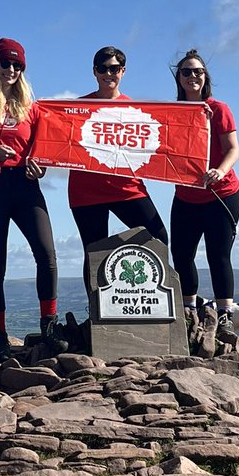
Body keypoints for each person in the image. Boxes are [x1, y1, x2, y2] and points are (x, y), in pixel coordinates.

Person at [0, 37, 66, 362]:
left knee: (47, 255)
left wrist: (40, 167)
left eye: (18, 65)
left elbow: (42, 153)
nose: (12, 70)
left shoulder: (33, 108)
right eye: (6, 63)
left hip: (25, 185)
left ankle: (49, 326)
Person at [68, 45, 168, 296]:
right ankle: (96, 309)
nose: (108, 74)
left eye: (114, 68)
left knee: (158, 237)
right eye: (102, 68)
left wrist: (197, 115)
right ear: (94, 71)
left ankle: (145, 298)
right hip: (86, 192)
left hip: (127, 188)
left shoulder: (137, 110)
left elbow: (166, 137)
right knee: (93, 252)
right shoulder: (76, 108)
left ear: (123, 71)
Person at [169, 49, 239, 327]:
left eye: (198, 71)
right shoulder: (172, 113)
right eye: (186, 72)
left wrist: (219, 171)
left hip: (221, 195)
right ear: (179, 77)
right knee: (182, 255)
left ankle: (224, 314)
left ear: (205, 76)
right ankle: (189, 310)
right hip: (186, 195)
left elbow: (233, 149)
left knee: (218, 255)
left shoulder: (219, 109)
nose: (192, 76)